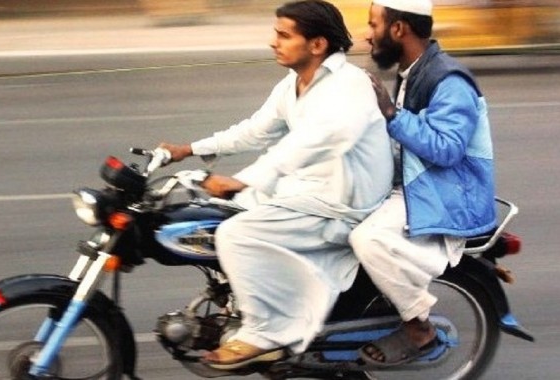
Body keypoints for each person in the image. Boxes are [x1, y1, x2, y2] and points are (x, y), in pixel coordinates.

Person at [158, 0, 393, 370]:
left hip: (342, 205)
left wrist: (245, 179)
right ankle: (251, 303)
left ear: (317, 45)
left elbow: (314, 142)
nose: (273, 42)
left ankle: (264, 335)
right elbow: (256, 130)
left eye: (284, 35)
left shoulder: (348, 87)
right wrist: (189, 149)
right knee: (218, 216)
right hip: (311, 191)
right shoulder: (295, 84)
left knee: (236, 235)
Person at [349, 0, 497, 367]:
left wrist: (391, 113)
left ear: (398, 29)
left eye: (373, 24)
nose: (367, 34)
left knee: (367, 238)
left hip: (446, 193)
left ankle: (418, 328)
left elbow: (447, 149)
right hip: (418, 184)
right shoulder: (413, 70)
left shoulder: (448, 80)